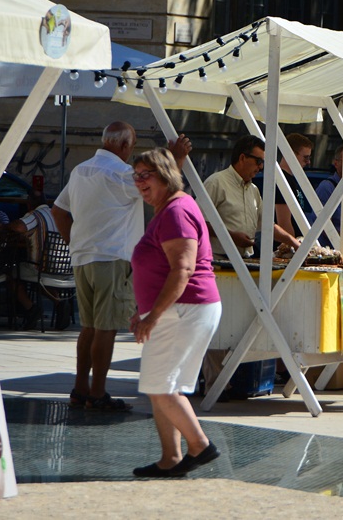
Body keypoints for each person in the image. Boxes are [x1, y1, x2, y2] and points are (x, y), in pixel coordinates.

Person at [53, 121, 191, 411]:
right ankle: (97, 393)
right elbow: (161, 187)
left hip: (83, 258)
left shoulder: (81, 170)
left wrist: (73, 242)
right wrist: (175, 157)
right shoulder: (120, 174)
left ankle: (80, 389)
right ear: (125, 146)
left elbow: (58, 210)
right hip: (112, 258)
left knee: (89, 327)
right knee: (106, 328)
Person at [129, 148, 222, 478]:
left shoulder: (175, 211)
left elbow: (182, 269)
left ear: (166, 175)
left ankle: (199, 445)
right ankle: (171, 458)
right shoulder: (172, 207)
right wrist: (148, 311)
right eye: (136, 175)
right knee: (163, 386)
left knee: (160, 387)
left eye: (146, 175)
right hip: (182, 310)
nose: (139, 182)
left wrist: (153, 315)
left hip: (183, 310)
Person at [202, 135, 300, 259]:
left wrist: (294, 243)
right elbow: (198, 221)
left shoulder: (253, 190)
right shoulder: (216, 182)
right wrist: (231, 237)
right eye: (258, 161)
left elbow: (268, 225)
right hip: (217, 261)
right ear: (243, 158)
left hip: (245, 259)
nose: (261, 167)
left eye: (263, 162)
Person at [9, 190, 59, 330]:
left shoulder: (35, 215)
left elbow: (19, 227)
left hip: (41, 266)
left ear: (29, 203)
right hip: (63, 267)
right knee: (36, 279)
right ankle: (59, 301)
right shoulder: (57, 214)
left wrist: (6, 225)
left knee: (10, 273)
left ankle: (31, 308)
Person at [274, 133, 316, 242]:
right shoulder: (282, 180)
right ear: (291, 154)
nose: (308, 162)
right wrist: (293, 248)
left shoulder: (291, 179)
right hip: (286, 250)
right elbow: (284, 223)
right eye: (306, 158)